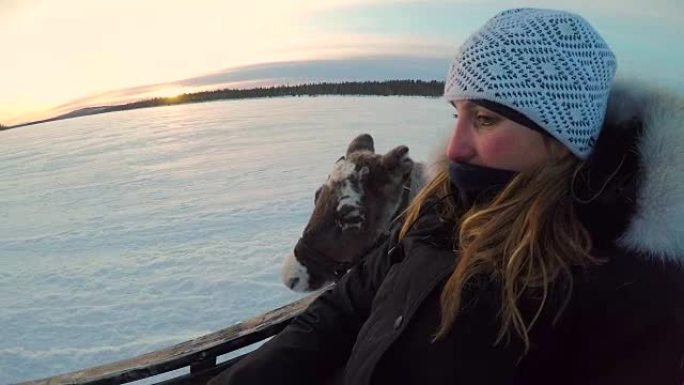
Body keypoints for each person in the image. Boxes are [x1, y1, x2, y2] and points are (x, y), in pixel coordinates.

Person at [209, 8, 684, 385]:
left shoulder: (631, 293)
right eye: (457, 113)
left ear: (561, 136)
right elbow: (341, 312)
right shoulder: (440, 209)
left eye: (484, 119)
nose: (454, 147)